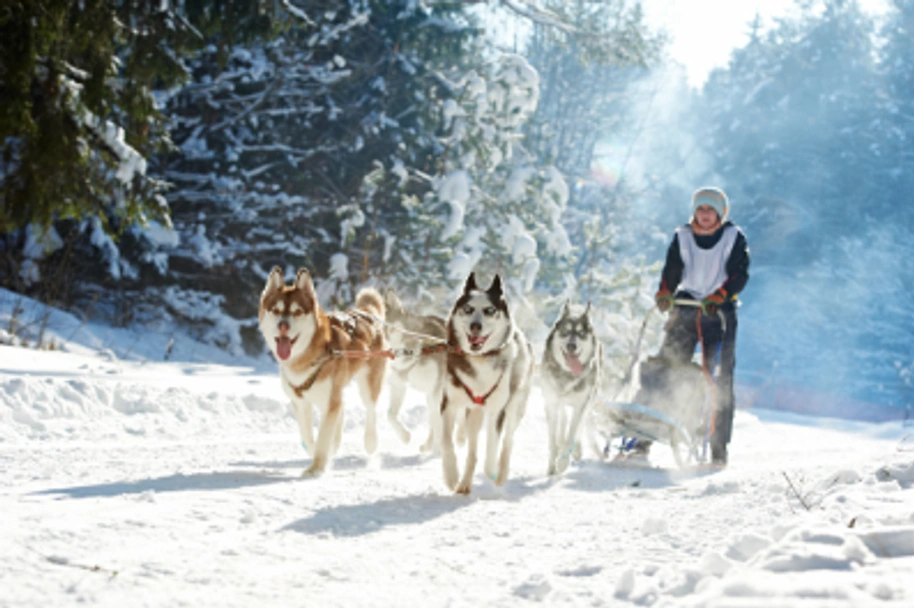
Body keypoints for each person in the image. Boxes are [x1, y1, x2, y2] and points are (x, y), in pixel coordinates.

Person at [635, 186, 750, 466]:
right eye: (700, 209)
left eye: (711, 210)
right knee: (665, 368)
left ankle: (717, 448)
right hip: (686, 307)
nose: (705, 214)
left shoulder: (733, 237)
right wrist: (665, 291)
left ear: (720, 213)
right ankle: (642, 437)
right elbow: (672, 269)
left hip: (719, 312)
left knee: (717, 379)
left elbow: (739, 274)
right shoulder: (683, 237)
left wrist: (721, 294)